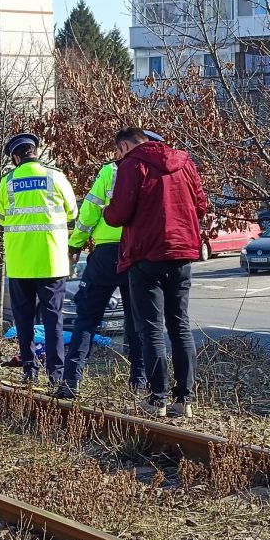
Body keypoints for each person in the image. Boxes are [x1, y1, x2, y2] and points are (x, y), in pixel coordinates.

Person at [104, 127, 207, 419]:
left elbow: (118, 214)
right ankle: (184, 399)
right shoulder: (185, 161)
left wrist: (106, 210)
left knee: (151, 328)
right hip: (182, 253)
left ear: (124, 146)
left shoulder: (131, 165)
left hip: (146, 256)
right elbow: (201, 205)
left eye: (117, 152)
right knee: (180, 326)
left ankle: (157, 398)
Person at [58, 149, 151, 399]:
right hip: (138, 253)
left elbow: (89, 211)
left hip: (106, 254)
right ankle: (139, 384)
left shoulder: (111, 171)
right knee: (137, 321)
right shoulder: (152, 170)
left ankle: (71, 382)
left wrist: (75, 244)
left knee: (87, 318)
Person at [0, 133, 78, 385]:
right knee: (53, 318)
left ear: (15, 157)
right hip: (51, 261)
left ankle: (29, 370)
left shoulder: (7, 182)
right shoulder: (56, 177)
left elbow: (1, 218)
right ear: (37, 152)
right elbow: (72, 212)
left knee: (23, 320)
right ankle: (56, 374)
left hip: (20, 263)